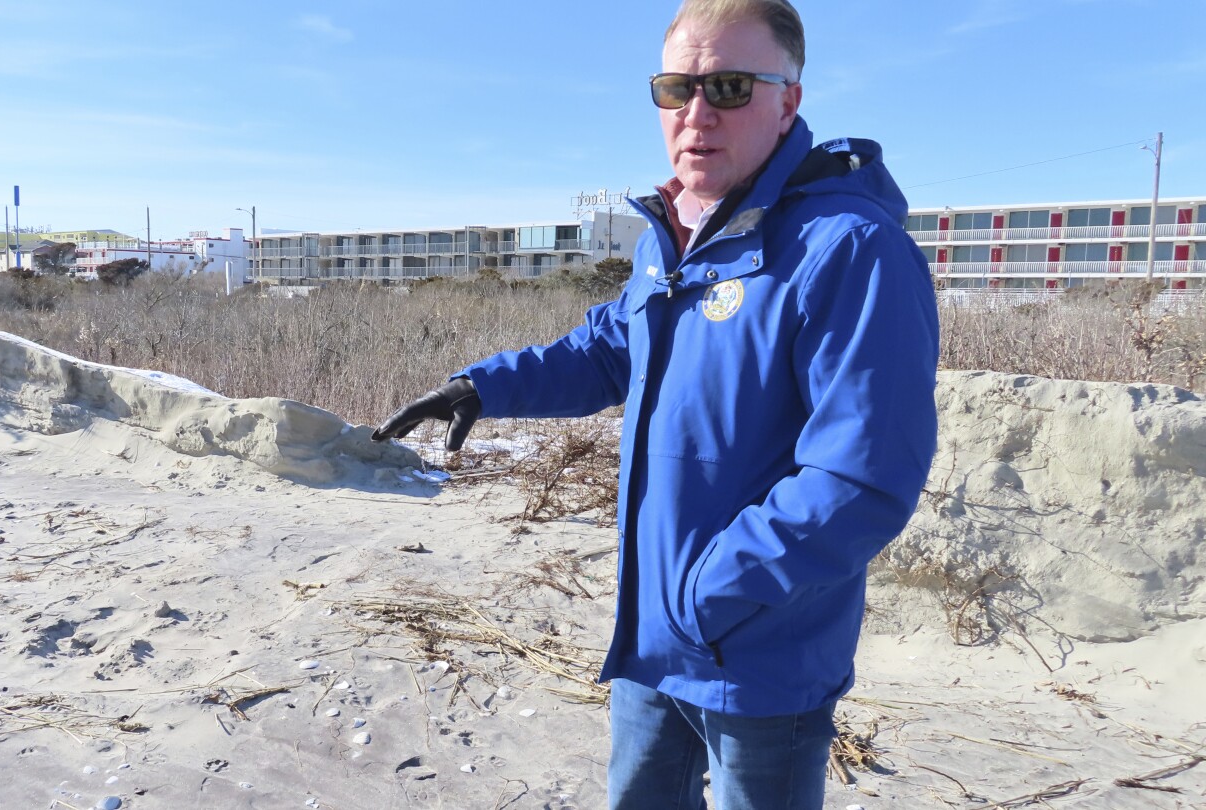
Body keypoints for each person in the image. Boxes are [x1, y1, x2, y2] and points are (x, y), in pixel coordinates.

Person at [372, 0, 939, 807]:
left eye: (731, 86)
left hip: (760, 660)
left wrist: (712, 592)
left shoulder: (849, 250)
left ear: (790, 101)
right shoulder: (672, 235)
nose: (697, 113)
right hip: (653, 643)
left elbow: (864, 477)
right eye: (676, 89)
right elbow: (608, 347)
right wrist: (485, 383)